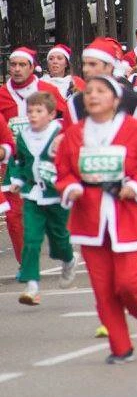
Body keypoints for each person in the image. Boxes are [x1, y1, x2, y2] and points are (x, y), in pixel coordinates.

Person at [54, 75, 137, 364]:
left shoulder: (135, 129)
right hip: (89, 219)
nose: (92, 96)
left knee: (129, 284)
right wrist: (72, 188)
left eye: (101, 91)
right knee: (103, 290)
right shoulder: (74, 134)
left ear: (116, 100)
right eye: (88, 92)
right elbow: (63, 172)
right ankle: (120, 347)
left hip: (127, 215)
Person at [2, 47, 69, 262]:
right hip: (14, 163)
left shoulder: (46, 89)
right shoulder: (2, 95)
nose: (17, 69)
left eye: (22, 65)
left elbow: (68, 118)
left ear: (32, 67)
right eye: (13, 65)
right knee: (14, 215)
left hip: (46, 161)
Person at [8, 90, 75, 305]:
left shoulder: (60, 133)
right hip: (33, 194)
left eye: (39, 111)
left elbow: (73, 156)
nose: (33, 115)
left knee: (60, 239)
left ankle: (68, 260)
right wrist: (16, 181)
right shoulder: (24, 136)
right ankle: (32, 285)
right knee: (31, 238)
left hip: (56, 196)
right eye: (30, 111)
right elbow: (18, 162)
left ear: (52, 114)